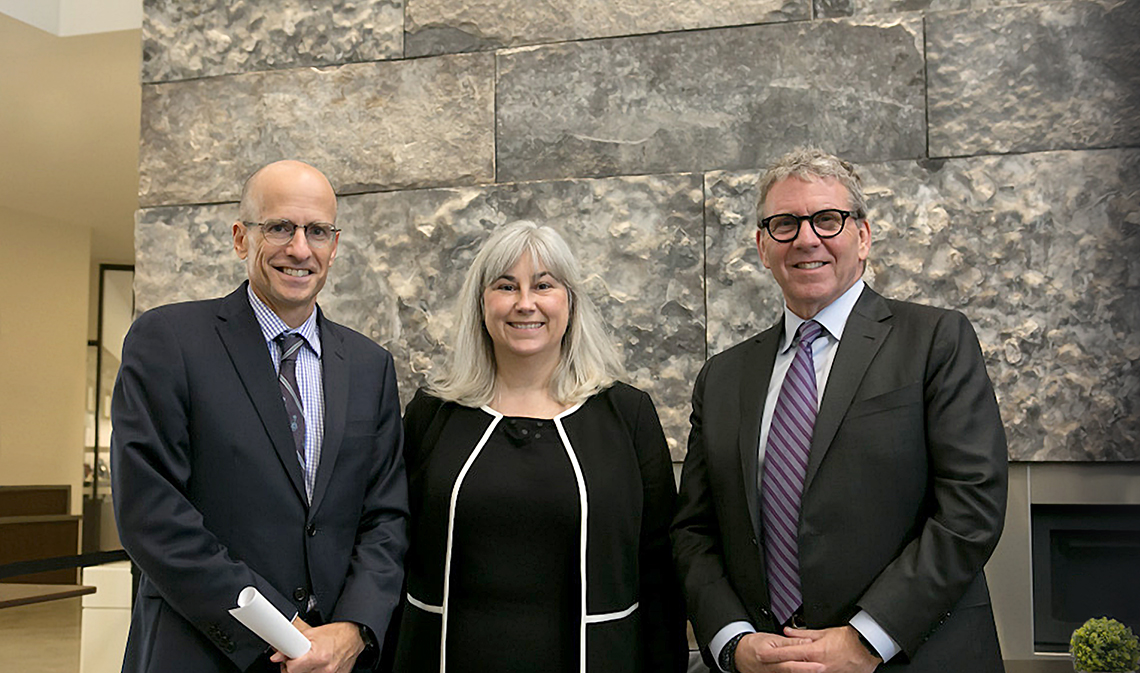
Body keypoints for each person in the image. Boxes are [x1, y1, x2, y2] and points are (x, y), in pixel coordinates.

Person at [672, 148, 1008, 673]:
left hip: (912, 657)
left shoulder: (935, 340)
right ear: (763, 247)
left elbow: (970, 509)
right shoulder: (721, 378)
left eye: (828, 219)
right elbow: (694, 531)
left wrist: (865, 639)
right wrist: (734, 642)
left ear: (863, 236)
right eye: (784, 224)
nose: (807, 239)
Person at [111, 160, 409, 673]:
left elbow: (386, 517)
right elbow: (151, 512)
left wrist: (354, 630)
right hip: (201, 652)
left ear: (334, 246)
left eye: (317, 231)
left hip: (333, 662)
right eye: (279, 228)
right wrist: (274, 624)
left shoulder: (369, 366)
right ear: (240, 238)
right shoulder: (169, 341)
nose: (299, 248)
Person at [392, 220, 687, 673]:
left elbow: (660, 574)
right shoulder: (433, 414)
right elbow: (394, 550)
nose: (525, 303)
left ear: (569, 301)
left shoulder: (626, 415)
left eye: (543, 285)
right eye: (506, 286)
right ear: (481, 303)